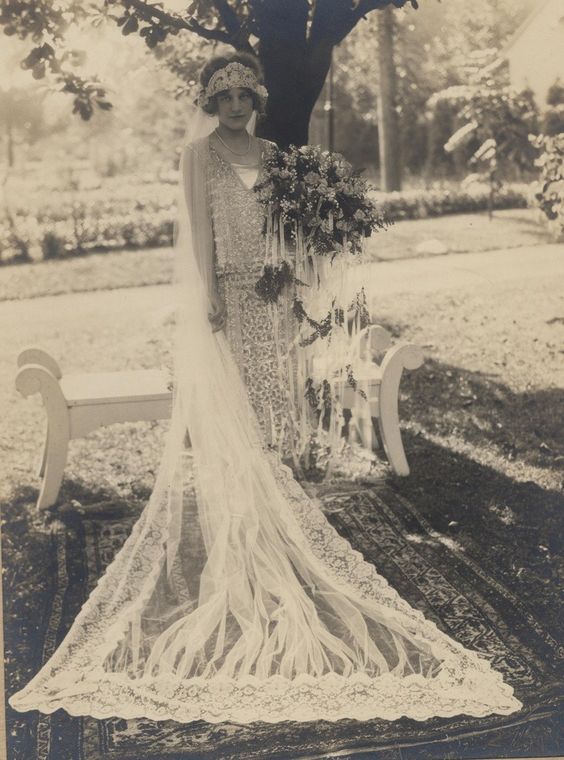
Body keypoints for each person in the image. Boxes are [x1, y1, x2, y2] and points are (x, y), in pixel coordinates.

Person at [8, 51, 522, 724]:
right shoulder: (198, 156)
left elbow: (292, 224)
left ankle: (272, 524)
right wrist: (209, 296)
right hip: (226, 301)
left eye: (242, 94)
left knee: (274, 411)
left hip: (274, 298)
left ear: (257, 97)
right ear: (208, 103)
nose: (233, 105)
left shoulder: (277, 153)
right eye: (221, 96)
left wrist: (313, 249)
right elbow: (197, 228)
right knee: (234, 417)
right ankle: (241, 530)